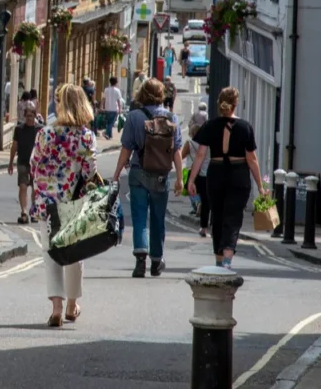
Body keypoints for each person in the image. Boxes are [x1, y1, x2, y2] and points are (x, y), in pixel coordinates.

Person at [30, 83, 97, 327]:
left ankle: (56, 307)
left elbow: (33, 164)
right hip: (74, 202)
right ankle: (71, 304)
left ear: (60, 105)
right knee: (74, 253)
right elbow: (90, 172)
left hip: (47, 204)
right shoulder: (86, 137)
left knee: (51, 253)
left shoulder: (45, 133)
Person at [189, 88, 268, 270]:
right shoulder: (245, 127)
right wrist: (261, 186)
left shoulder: (210, 125)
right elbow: (251, 159)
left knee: (217, 217)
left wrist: (191, 180)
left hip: (216, 174)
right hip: (238, 175)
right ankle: (227, 260)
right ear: (236, 104)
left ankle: (218, 261)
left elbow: (200, 155)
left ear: (219, 103)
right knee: (233, 218)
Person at [114, 79, 181, 278]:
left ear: (142, 94)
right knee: (158, 218)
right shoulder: (171, 117)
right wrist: (180, 178)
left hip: (138, 172)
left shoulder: (134, 116)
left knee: (139, 218)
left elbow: (126, 148)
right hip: (161, 175)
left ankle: (140, 261)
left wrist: (116, 174)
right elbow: (176, 150)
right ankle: (157, 261)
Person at [10, 102, 43, 224]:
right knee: (23, 187)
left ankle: (34, 211)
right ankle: (24, 213)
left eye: (31, 115)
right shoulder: (19, 129)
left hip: (36, 164)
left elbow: (45, 147)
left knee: (35, 188)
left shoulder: (40, 129)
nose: (29, 118)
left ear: (35, 116)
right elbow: (14, 146)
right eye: (27, 116)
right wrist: (10, 163)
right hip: (23, 162)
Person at [181, 103, 210, 237]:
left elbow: (181, 155)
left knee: (191, 190)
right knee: (207, 199)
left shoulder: (190, 143)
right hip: (207, 172)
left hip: (192, 170)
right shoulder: (209, 145)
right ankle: (205, 224)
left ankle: (196, 204)